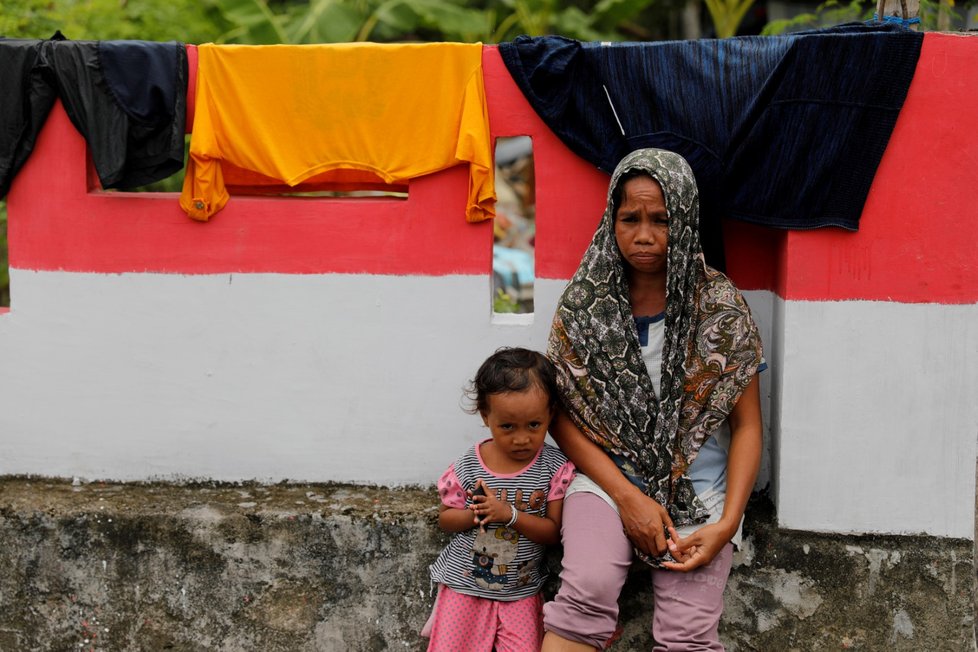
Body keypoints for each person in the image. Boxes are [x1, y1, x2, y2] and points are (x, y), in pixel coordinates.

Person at [542, 148, 764, 651]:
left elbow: (748, 426)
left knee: (687, 636)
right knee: (586, 594)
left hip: (699, 493)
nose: (644, 236)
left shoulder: (719, 309)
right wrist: (627, 498)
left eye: (662, 220)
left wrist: (726, 524)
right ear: (611, 219)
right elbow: (560, 415)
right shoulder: (584, 304)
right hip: (607, 482)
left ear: (686, 220)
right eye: (630, 218)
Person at [424, 347, 576, 652]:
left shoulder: (554, 469)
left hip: (521, 590)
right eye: (507, 426)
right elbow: (446, 518)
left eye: (534, 425)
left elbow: (553, 531)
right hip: (465, 586)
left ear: (551, 415)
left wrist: (509, 515)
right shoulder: (469, 465)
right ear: (486, 416)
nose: (522, 438)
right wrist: (475, 514)